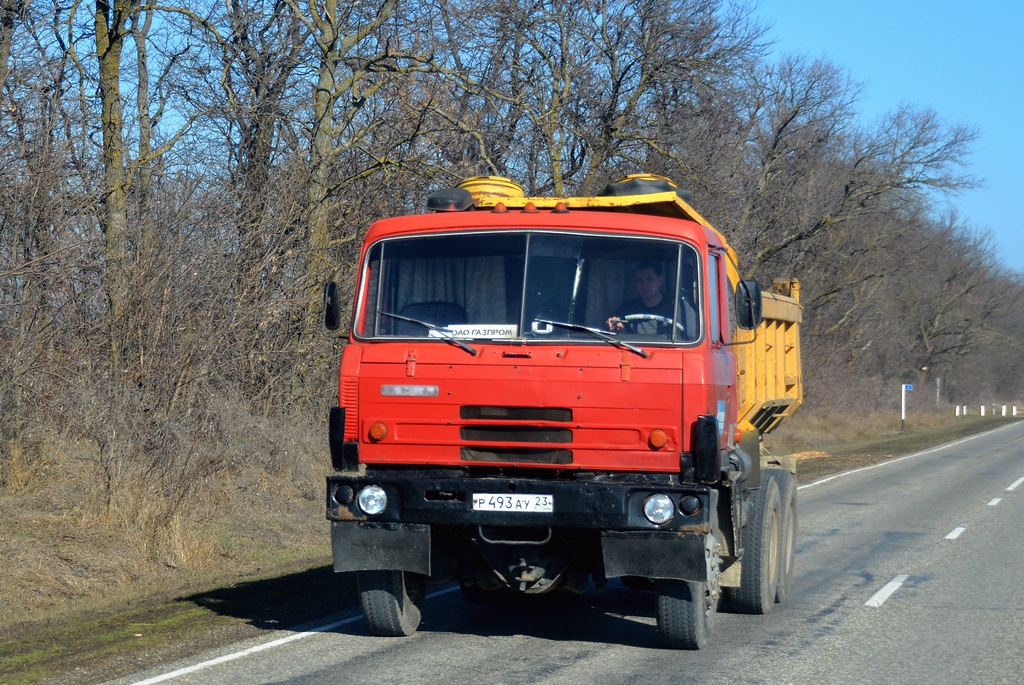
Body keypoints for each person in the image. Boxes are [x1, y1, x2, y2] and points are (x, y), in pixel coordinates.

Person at [607, 262, 676, 335]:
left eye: (650, 279)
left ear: (660, 280)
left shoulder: (677, 307)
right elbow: (619, 335)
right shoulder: (626, 308)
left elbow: (686, 337)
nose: (645, 284)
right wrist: (614, 325)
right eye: (639, 280)